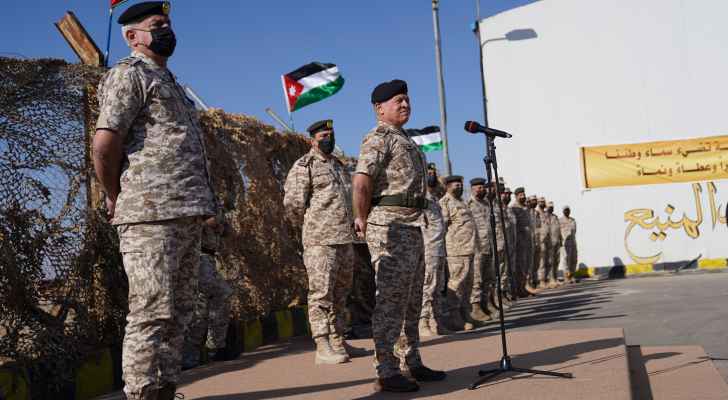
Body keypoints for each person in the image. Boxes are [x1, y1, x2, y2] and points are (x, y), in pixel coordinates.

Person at [92, 2, 216, 399]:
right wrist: (116, 196)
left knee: (179, 313)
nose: (167, 30)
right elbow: (105, 145)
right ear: (132, 36)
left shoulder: (170, 82)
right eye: (157, 24)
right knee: (151, 313)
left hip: (186, 213)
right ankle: (141, 393)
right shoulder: (129, 75)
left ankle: (163, 389)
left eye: (168, 23)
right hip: (149, 215)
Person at [352, 79, 446, 392]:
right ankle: (386, 369)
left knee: (412, 301)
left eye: (407, 99)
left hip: (413, 226)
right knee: (391, 300)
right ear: (380, 108)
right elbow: (362, 181)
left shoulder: (405, 139)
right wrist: (361, 218)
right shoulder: (378, 137)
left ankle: (411, 360)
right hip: (390, 227)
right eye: (398, 101)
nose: (405, 104)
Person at [283, 119, 357, 365]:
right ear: (312, 140)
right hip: (320, 240)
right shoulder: (305, 165)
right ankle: (322, 345)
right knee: (321, 294)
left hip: (344, 238)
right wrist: (308, 229)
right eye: (323, 135)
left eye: (331, 135)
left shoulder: (338, 165)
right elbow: (293, 204)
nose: (329, 139)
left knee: (341, 294)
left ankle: (338, 340)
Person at [183, 212, 233, 370]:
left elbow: (227, 231)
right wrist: (208, 222)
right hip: (197, 255)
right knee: (219, 293)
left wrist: (222, 226)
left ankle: (199, 355)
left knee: (202, 305)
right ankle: (212, 348)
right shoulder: (195, 202)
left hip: (210, 257)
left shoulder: (214, 202)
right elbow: (187, 225)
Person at [440, 176, 486, 329]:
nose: (459, 187)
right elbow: (442, 227)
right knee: (457, 284)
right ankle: (454, 317)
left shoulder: (462, 202)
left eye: (461, 184)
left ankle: (466, 314)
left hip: (470, 249)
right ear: (447, 186)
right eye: (456, 185)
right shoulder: (445, 202)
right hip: (456, 250)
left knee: (468, 285)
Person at [419, 172, 451, 337]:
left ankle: (436, 321)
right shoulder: (421, 198)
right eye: (429, 174)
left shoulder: (435, 200)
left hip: (439, 249)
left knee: (438, 288)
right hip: (428, 249)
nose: (433, 176)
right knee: (427, 287)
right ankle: (423, 322)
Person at [466, 178, 495, 321]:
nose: (481, 189)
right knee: (477, 278)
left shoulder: (486, 204)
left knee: (487, 277)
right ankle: (475, 307)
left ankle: (485, 303)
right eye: (478, 187)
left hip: (488, 245)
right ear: (472, 189)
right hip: (476, 247)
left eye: (483, 187)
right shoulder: (468, 204)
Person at [510, 187, 534, 298]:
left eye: (524, 194)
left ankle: (524, 287)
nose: (523, 197)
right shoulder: (514, 208)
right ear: (516, 196)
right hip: (519, 241)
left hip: (527, 240)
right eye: (520, 195)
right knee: (520, 266)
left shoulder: (525, 208)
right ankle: (519, 288)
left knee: (527, 264)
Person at [535, 197, 551, 289]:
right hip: (540, 240)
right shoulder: (537, 213)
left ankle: (546, 279)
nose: (542, 203)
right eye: (540, 202)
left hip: (547, 240)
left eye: (543, 202)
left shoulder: (546, 214)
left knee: (547, 260)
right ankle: (541, 281)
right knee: (541, 261)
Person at [546, 201, 563, 287]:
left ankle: (555, 278)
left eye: (552, 207)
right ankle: (551, 279)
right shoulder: (545, 217)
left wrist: (561, 240)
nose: (551, 208)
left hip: (557, 242)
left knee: (557, 261)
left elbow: (558, 229)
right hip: (549, 242)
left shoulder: (555, 217)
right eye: (549, 207)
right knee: (550, 261)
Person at [559, 205, 578, 284]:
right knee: (566, 259)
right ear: (563, 211)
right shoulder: (560, 220)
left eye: (568, 210)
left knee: (574, 259)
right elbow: (558, 232)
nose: (567, 211)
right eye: (565, 210)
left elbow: (575, 231)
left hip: (573, 242)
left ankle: (572, 275)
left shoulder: (573, 220)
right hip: (565, 243)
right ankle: (566, 276)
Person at [527, 195, 542, 290]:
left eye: (535, 200)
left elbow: (539, 227)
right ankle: (529, 283)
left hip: (536, 240)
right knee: (529, 263)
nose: (534, 202)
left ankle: (535, 282)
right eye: (532, 200)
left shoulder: (536, 213)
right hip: (528, 241)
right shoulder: (526, 212)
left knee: (536, 263)